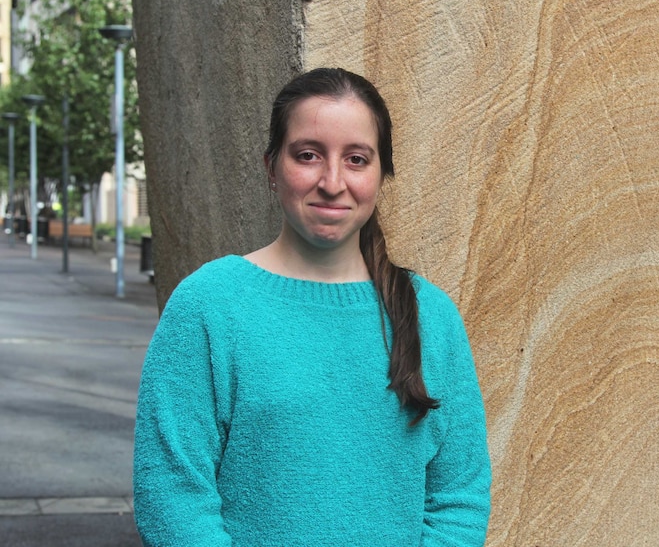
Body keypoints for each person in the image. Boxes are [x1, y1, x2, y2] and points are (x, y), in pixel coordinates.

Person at [133, 67, 492, 546]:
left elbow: (459, 498)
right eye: (308, 155)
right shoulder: (210, 306)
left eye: (357, 159)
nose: (332, 181)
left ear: (382, 173)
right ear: (271, 168)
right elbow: (171, 494)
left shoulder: (432, 316)